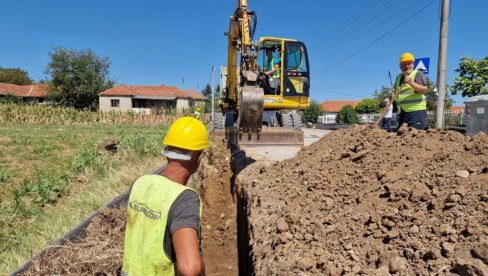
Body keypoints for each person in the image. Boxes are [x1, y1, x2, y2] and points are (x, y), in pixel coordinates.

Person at [122, 117, 209, 276]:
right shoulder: (184, 199)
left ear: (168, 152)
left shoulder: (140, 183)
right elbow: (191, 269)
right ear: (199, 157)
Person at [394, 52, 428, 130]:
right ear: (400, 66)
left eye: (409, 63)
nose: (406, 66)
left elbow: (424, 90)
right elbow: (396, 92)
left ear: (413, 64)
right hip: (402, 112)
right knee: (401, 136)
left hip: (416, 111)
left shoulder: (418, 74)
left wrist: (411, 82)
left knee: (414, 137)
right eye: (404, 64)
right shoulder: (398, 77)